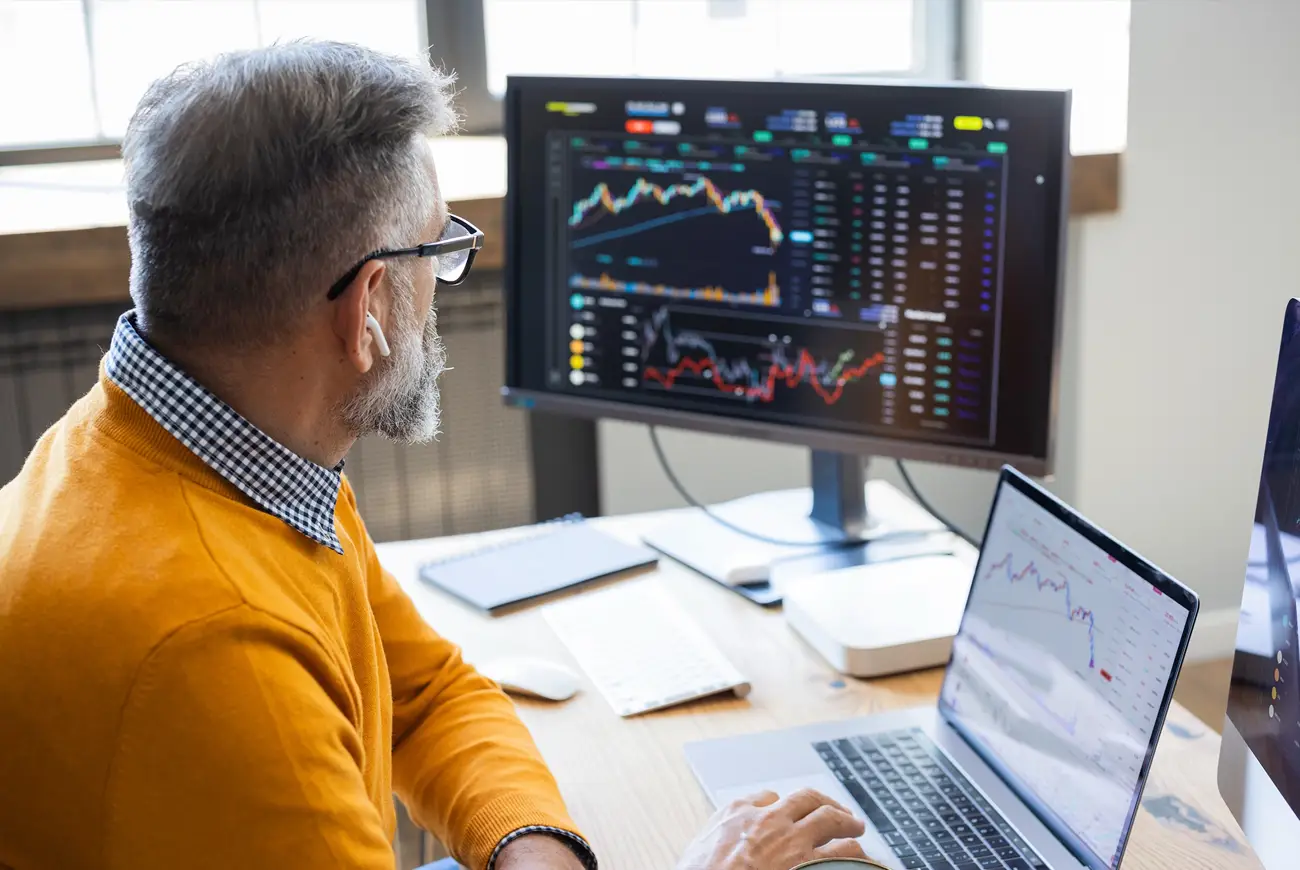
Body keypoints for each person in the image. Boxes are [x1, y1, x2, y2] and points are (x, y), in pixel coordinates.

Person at [0, 41, 872, 870]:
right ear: (368, 307)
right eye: (439, 250)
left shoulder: (208, 448)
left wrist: (532, 845)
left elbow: (423, 692)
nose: (442, 284)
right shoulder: (221, 653)